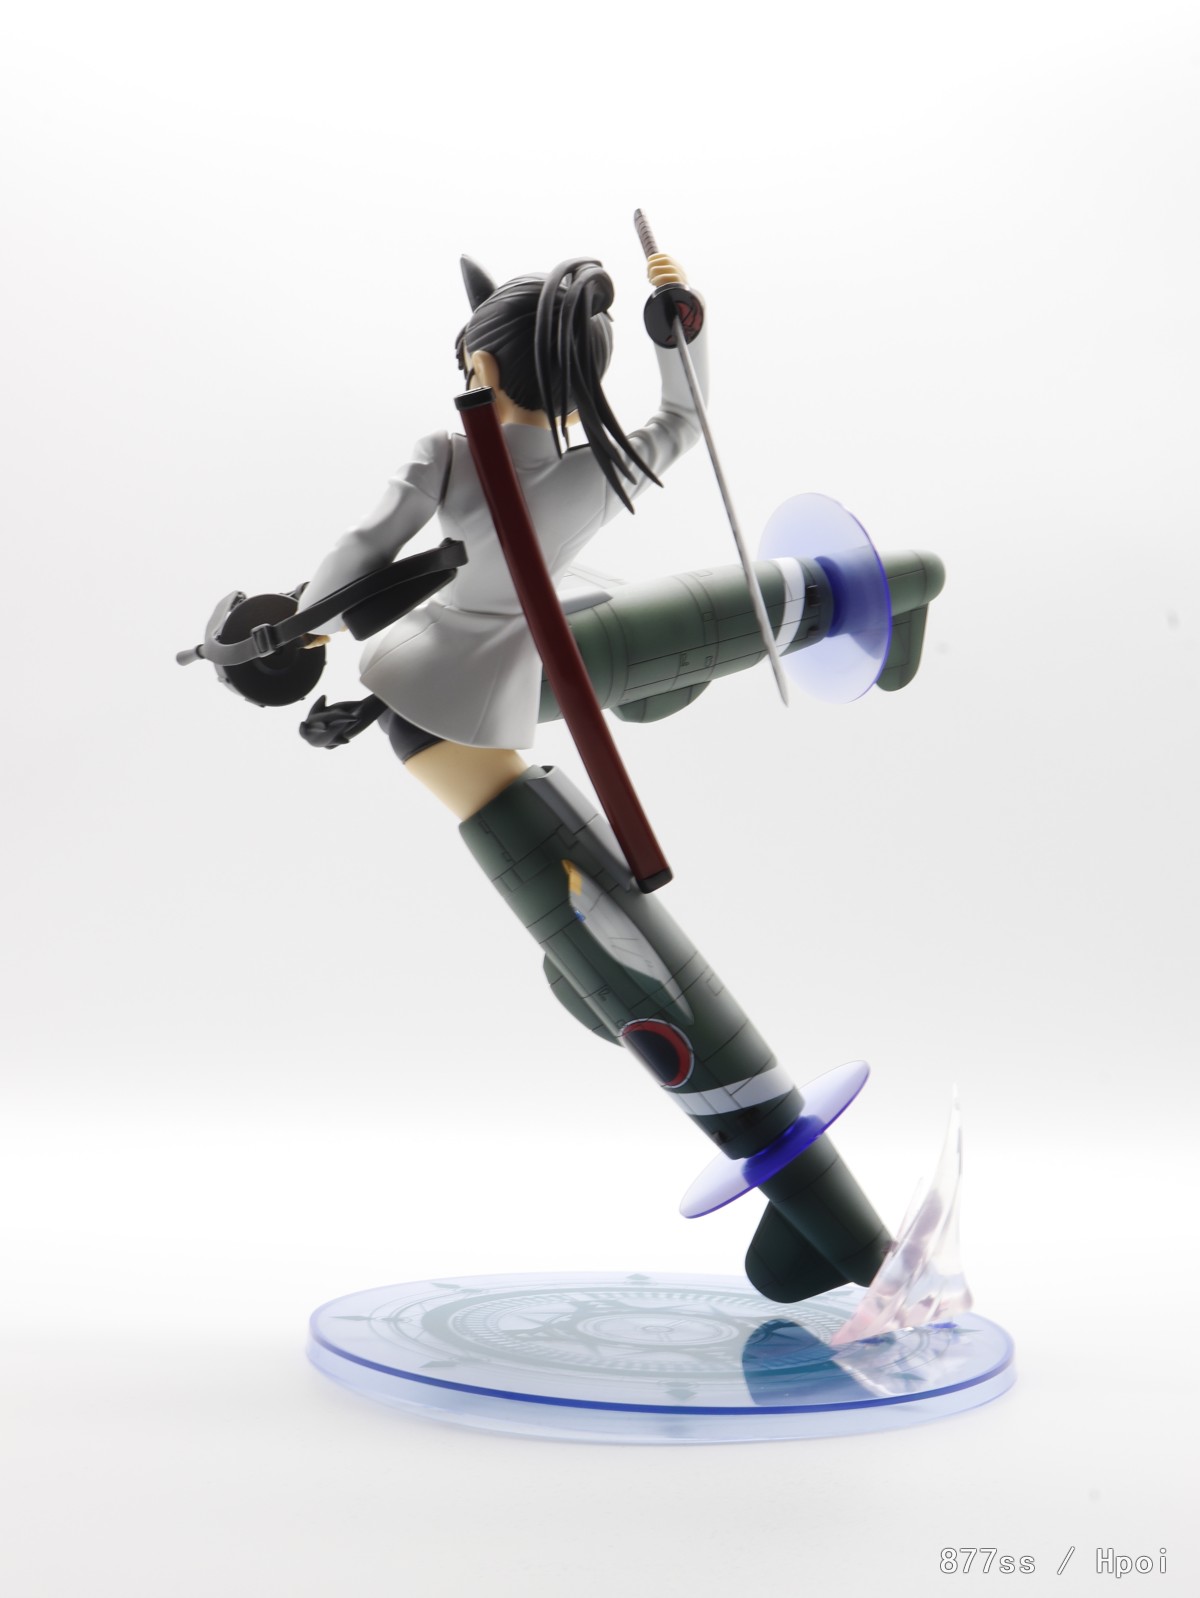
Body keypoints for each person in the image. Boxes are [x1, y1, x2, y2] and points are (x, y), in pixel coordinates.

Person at [296, 250, 895, 1306]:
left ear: (480, 363)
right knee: (581, 899)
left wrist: (298, 627)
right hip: (495, 675)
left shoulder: (448, 450)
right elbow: (685, 417)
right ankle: (825, 1212)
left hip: (445, 695)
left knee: (581, 915)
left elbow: (361, 548)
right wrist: (683, 334)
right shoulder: (598, 470)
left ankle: (829, 1219)